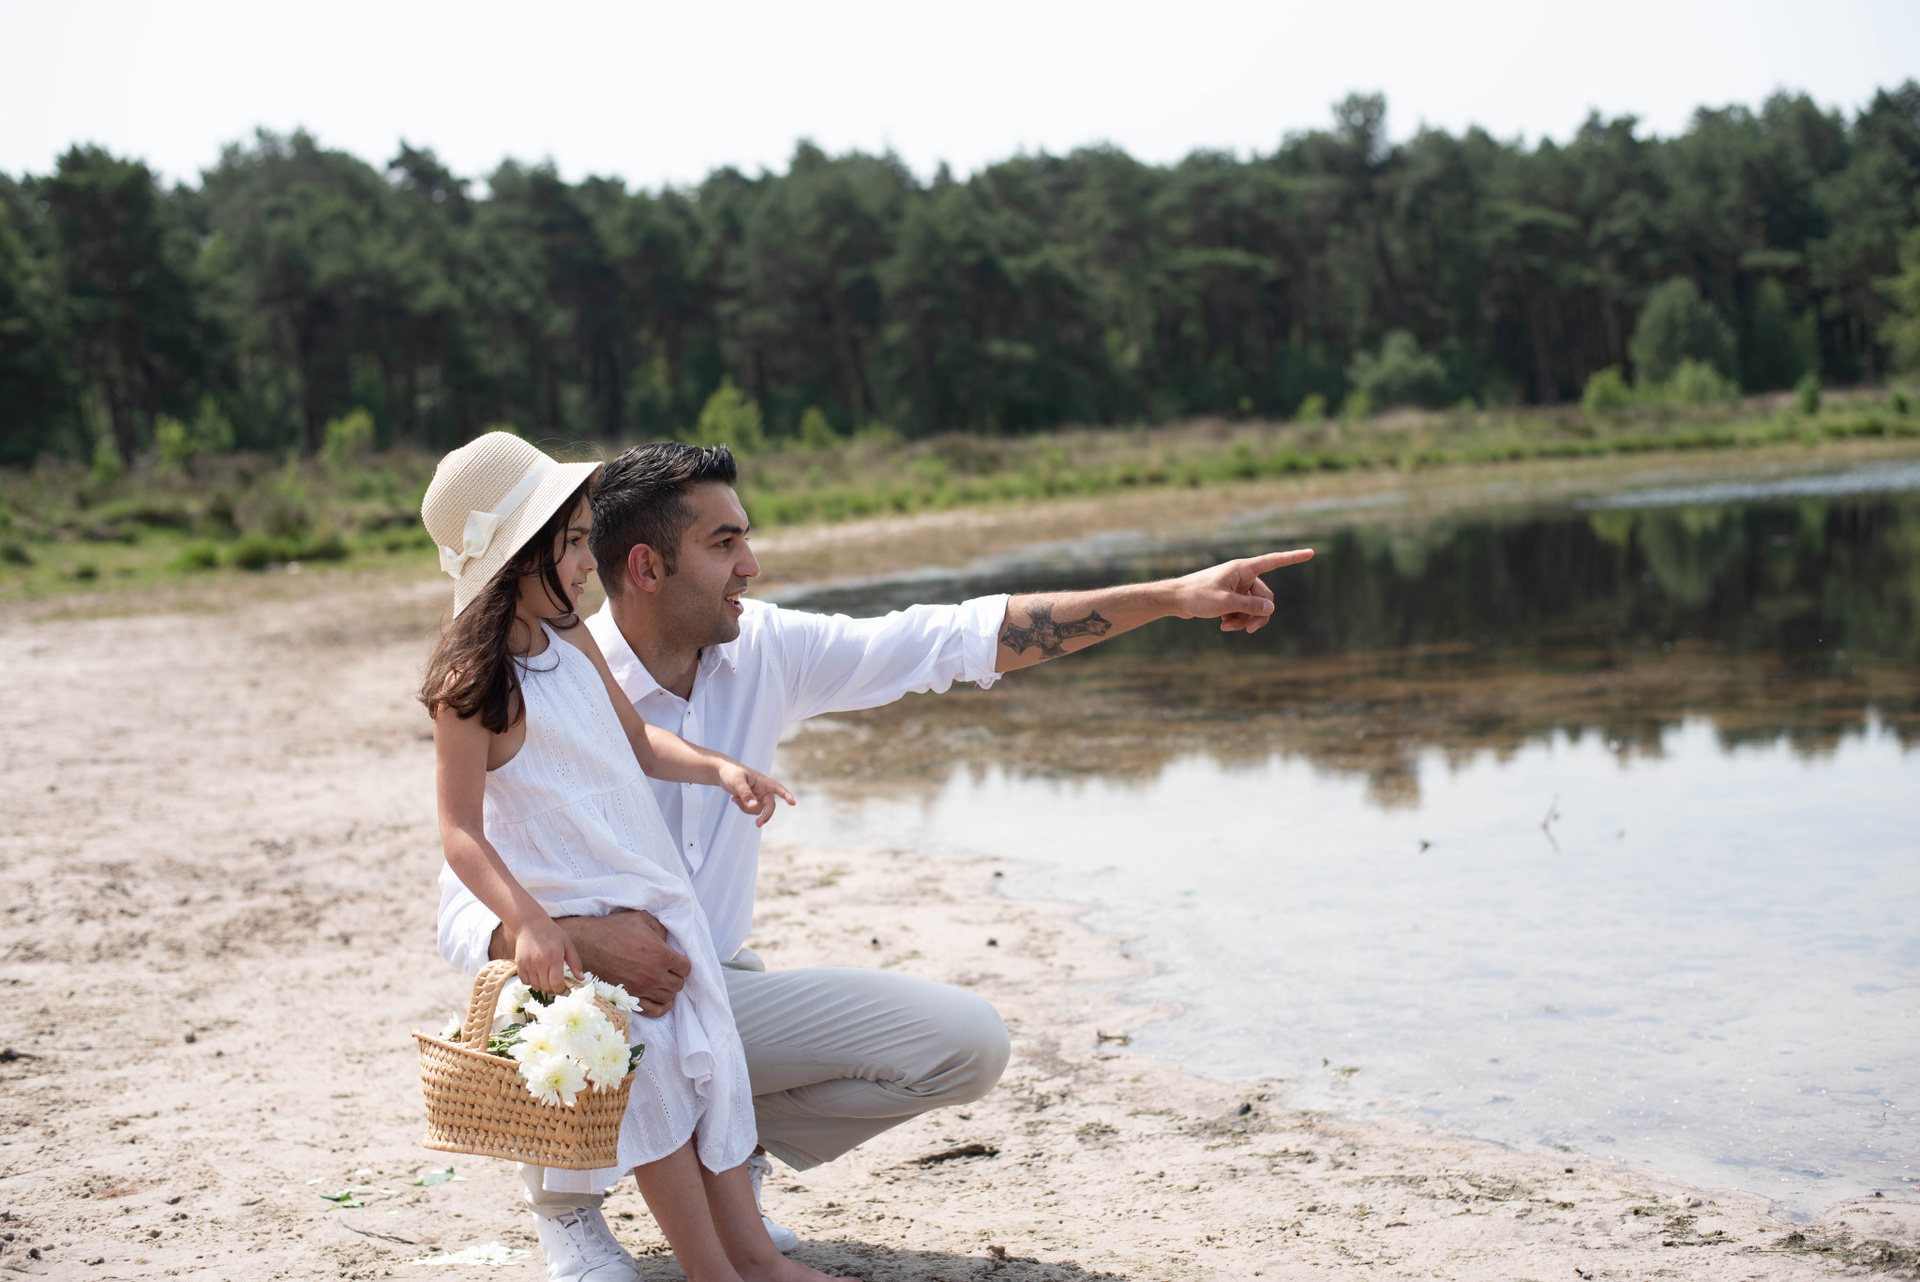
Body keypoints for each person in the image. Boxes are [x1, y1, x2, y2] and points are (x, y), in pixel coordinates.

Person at [438, 440, 1314, 1282]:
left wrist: (1172, 597)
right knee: (569, 1015)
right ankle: (568, 1207)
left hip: (713, 980)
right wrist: (584, 943)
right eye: (725, 542)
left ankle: (731, 1159)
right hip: (584, 997)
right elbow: (460, 899)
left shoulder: (762, 649)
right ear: (646, 567)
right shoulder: (536, 675)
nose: (752, 565)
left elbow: (953, 637)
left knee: (966, 1046)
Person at [421, 432, 851, 1282]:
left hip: (654, 896)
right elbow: (459, 831)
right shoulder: (472, 685)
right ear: (523, 551)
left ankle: (754, 1256)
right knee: (652, 1090)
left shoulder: (570, 639)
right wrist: (530, 924)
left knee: (709, 1068)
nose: (593, 561)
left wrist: (719, 768)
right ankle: (712, 1269)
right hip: (587, 921)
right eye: (576, 542)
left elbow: (638, 739)